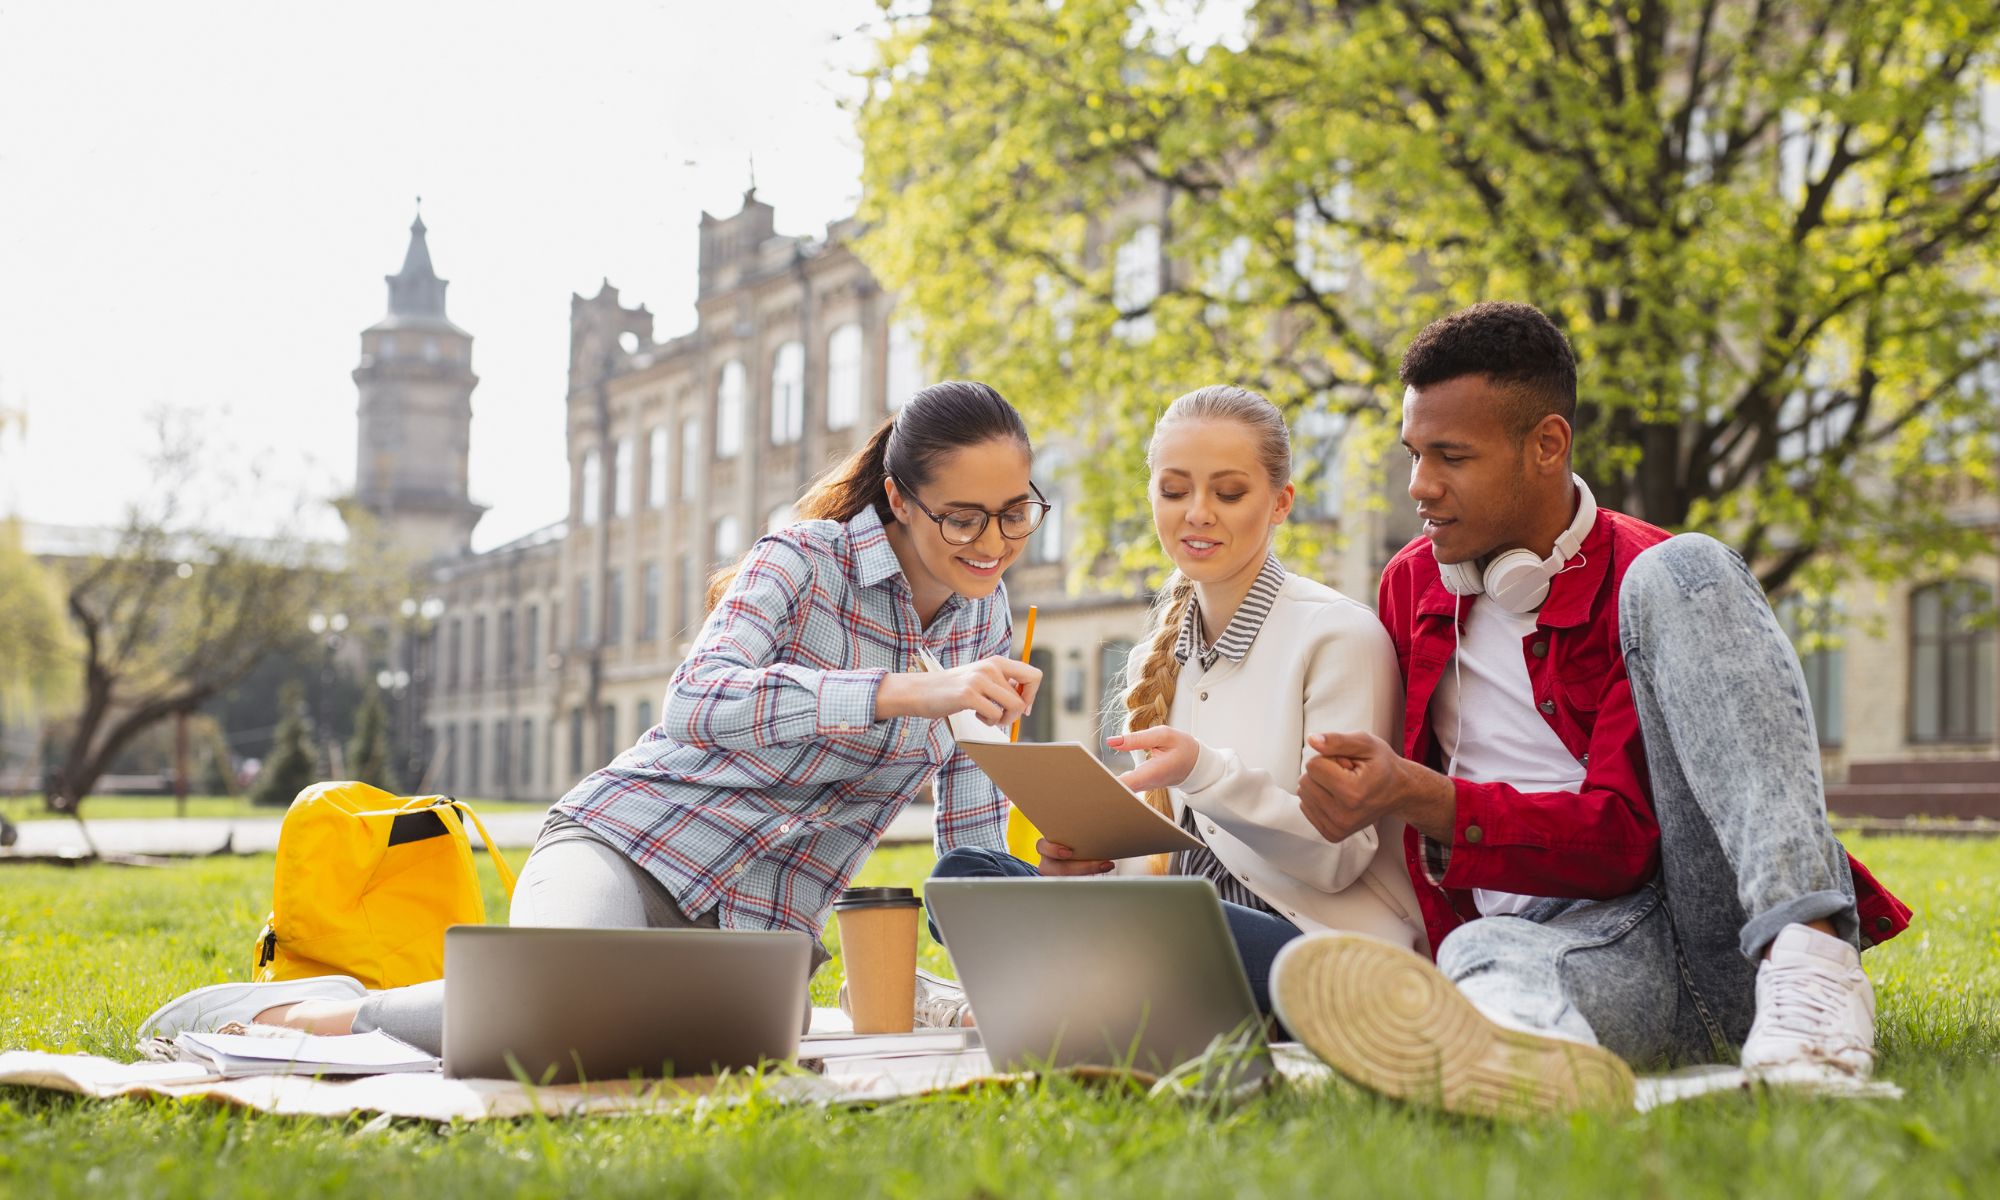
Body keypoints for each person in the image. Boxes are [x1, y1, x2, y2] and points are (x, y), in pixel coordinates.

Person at [140, 381, 1048, 1049]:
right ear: (899, 498)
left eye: (1016, 516)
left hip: (763, 928)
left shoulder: (991, 618)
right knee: (552, 1014)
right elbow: (698, 700)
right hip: (631, 843)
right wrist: (903, 688)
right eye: (963, 519)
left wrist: (999, 970)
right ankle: (288, 1015)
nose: (993, 545)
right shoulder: (803, 560)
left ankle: (484, 998)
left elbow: (969, 825)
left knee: (697, 1055)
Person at [1266, 302, 1911, 1117]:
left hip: (1705, 930)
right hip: (1561, 952)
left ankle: (1812, 961)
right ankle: (1522, 1058)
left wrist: (1417, 797)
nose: (1419, 487)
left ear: (1547, 446)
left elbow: (1621, 847)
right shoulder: (1412, 584)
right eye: (1414, 454)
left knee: (1693, 565)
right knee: (1484, 954)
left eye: (1451, 457)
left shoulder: (1648, 577)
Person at [929, 385, 1425, 1016]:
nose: (1197, 513)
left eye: (1229, 492)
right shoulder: (1159, 656)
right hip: (1186, 925)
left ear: (1280, 503)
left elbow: (1337, 860)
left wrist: (1204, 771)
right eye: (1173, 490)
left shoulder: (1337, 635)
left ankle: (1056, 988)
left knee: (1169, 925)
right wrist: (1092, 863)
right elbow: (1181, 864)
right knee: (964, 877)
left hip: (1318, 953)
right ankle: (1089, 980)